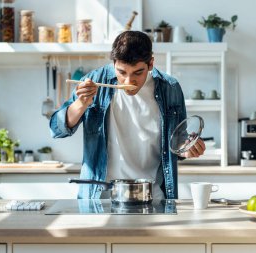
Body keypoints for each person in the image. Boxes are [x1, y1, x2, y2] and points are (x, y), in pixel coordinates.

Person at [50, 31, 205, 200]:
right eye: (122, 72)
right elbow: (56, 129)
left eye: (138, 73)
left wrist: (187, 148)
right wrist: (81, 104)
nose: (128, 81)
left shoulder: (170, 88)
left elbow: (177, 144)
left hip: (153, 195)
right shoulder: (94, 80)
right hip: (101, 196)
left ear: (151, 63)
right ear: (114, 63)